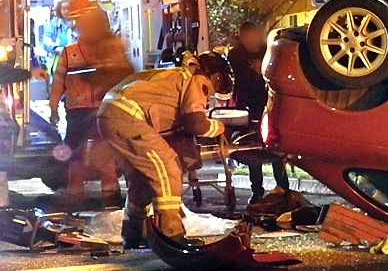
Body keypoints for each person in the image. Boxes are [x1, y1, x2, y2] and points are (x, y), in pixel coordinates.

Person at [97, 52, 232, 247]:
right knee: (168, 170)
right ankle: (170, 232)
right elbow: (196, 123)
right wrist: (220, 127)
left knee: (142, 178)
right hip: (128, 117)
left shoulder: (176, 75)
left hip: (111, 114)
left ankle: (134, 231)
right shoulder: (196, 79)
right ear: (217, 76)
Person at [49, 8, 133, 204]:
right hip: (77, 111)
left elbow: (121, 76)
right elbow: (58, 81)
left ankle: (110, 199)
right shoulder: (69, 53)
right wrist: (54, 108)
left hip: (103, 110)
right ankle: (75, 195)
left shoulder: (108, 49)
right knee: (75, 154)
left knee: (105, 155)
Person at [229, 21, 289, 204]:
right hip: (247, 107)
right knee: (252, 149)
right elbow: (239, 78)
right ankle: (257, 192)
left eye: (253, 37)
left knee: (276, 149)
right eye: (247, 38)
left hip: (269, 104)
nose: (251, 41)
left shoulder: (268, 50)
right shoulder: (236, 55)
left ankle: (284, 190)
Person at [41, 0, 75, 75]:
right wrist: (56, 48)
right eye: (64, 8)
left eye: (69, 8)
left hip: (75, 64)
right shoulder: (53, 23)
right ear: (59, 10)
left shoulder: (79, 24)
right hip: (57, 65)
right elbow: (46, 40)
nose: (66, 11)